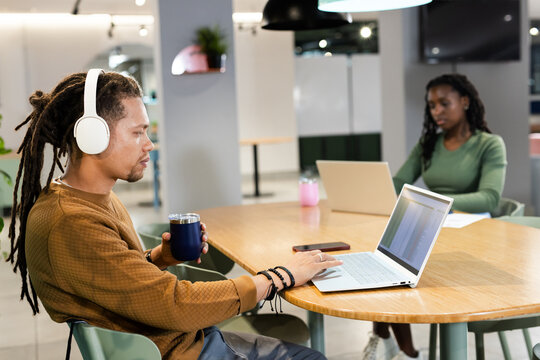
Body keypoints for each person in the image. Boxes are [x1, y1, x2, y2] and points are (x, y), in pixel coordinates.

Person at [7, 69, 342, 360]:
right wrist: (279, 277)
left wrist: (158, 258)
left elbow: (115, 281)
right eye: (138, 132)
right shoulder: (70, 221)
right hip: (178, 351)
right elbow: (175, 304)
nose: (149, 144)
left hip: (175, 340)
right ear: (93, 136)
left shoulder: (92, 200)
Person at [362, 73, 507, 360]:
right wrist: (373, 190)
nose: (436, 111)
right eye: (431, 106)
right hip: (432, 224)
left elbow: (490, 197)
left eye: (444, 103)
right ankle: (402, 347)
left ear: (464, 102)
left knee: (397, 264)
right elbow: (399, 181)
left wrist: (436, 204)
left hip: (474, 231)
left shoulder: (489, 144)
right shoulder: (429, 143)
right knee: (385, 260)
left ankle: (397, 345)